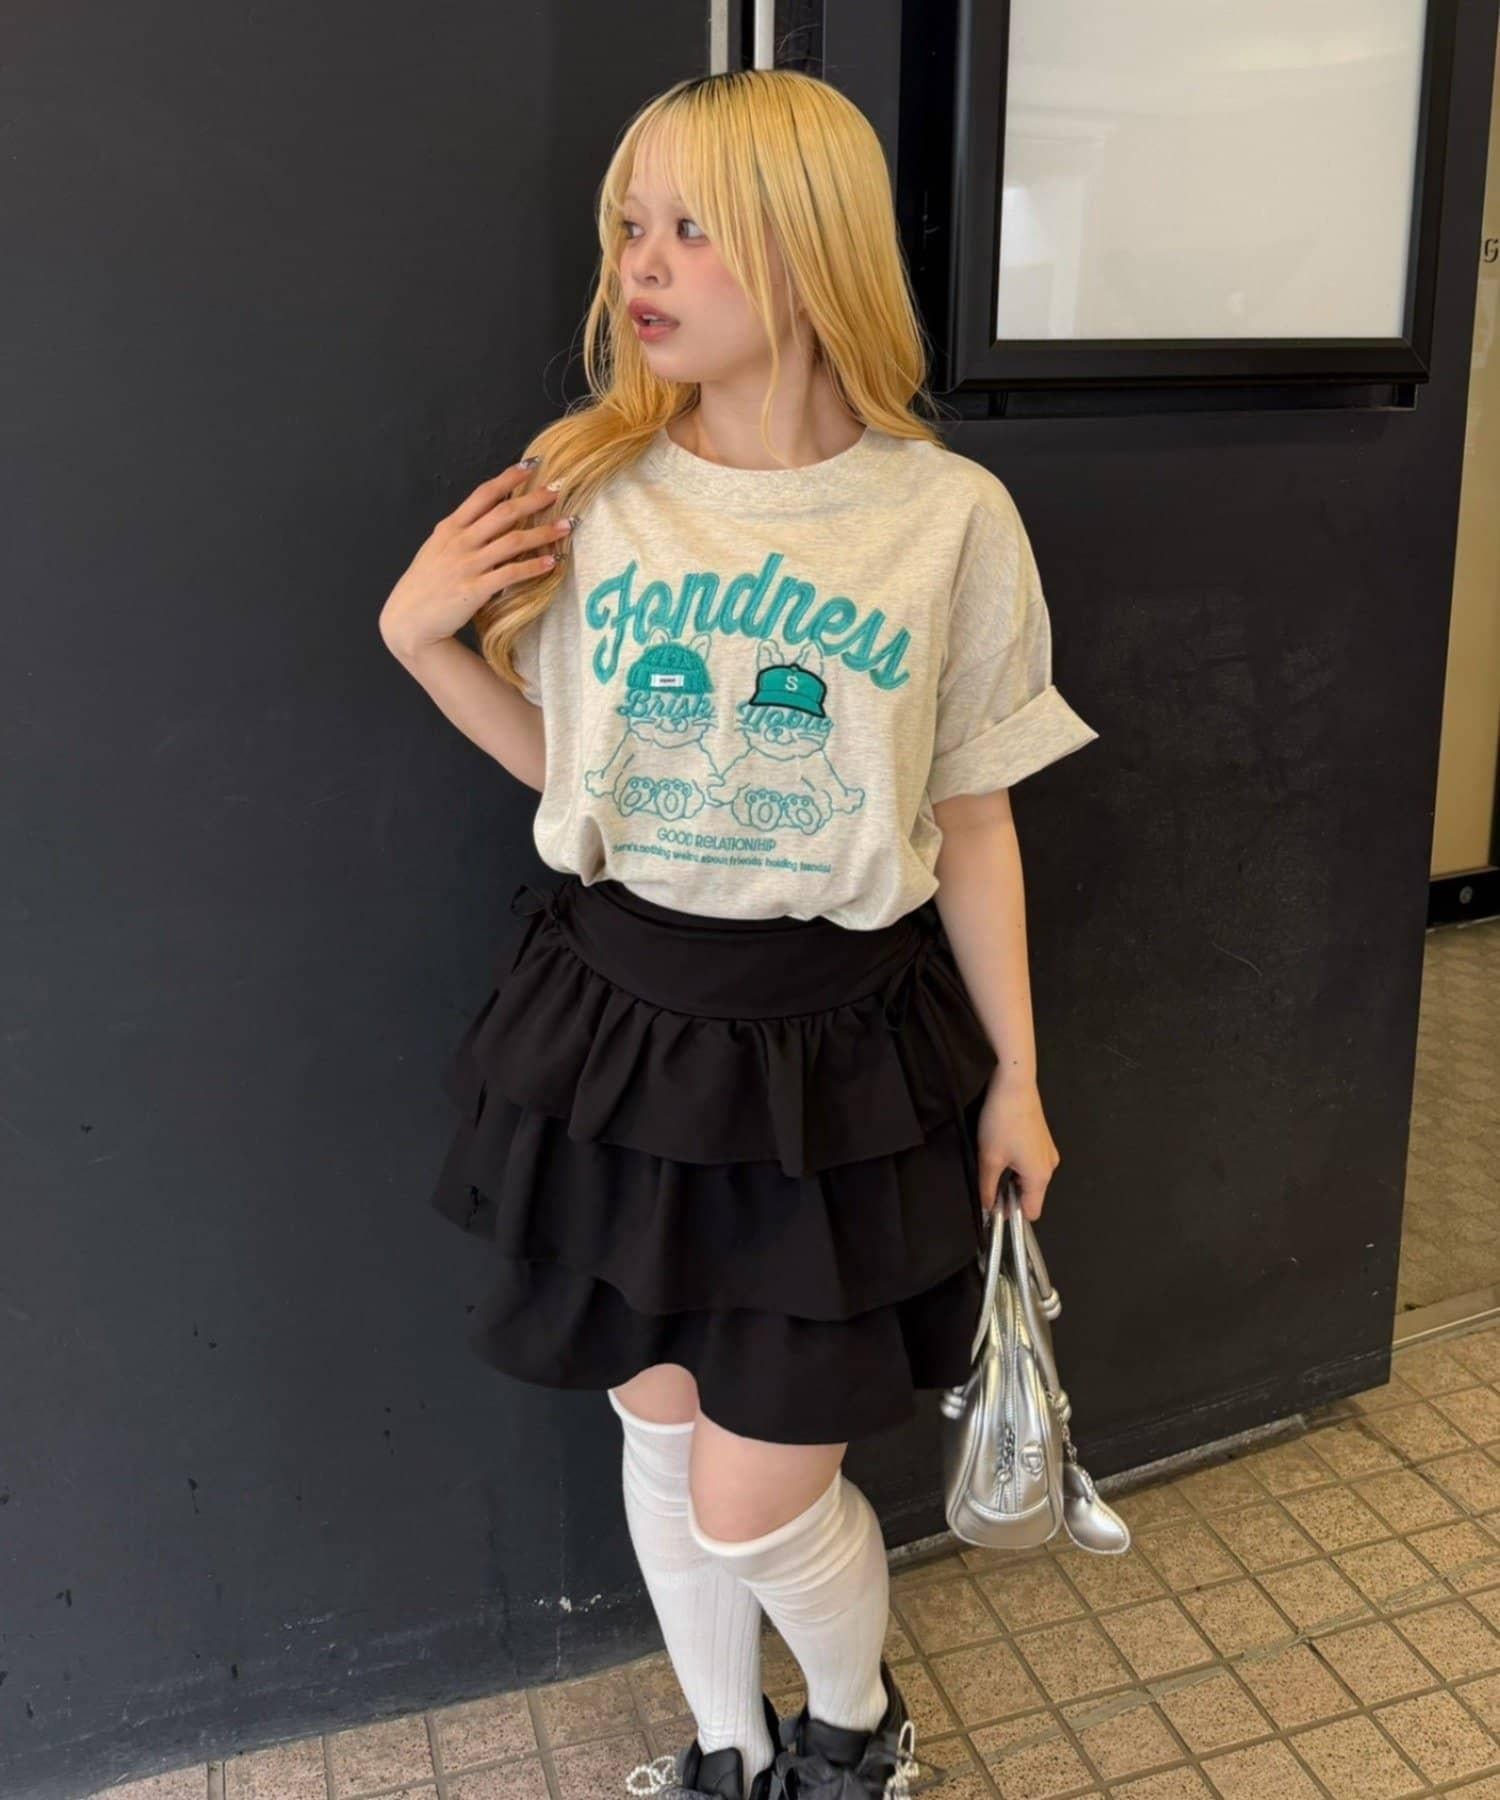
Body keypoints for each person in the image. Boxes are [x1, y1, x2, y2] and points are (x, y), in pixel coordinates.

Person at [379, 66, 1099, 1800]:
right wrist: (422, 641)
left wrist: (1019, 1077)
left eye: (695, 227)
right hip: (617, 1026)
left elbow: (974, 815)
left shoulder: (947, 518)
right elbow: (583, 774)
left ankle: (853, 1734)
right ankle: (725, 1745)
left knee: (757, 1502)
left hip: (835, 1052)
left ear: (813, 246)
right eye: (632, 224)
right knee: (658, 1423)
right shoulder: (585, 486)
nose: (643, 264)